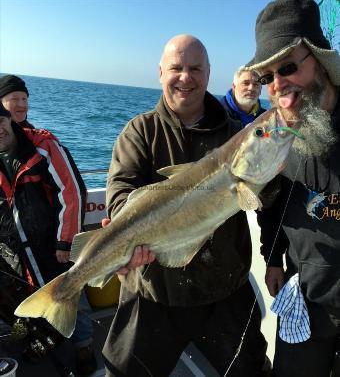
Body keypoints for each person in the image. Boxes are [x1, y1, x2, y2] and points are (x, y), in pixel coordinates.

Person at [103, 34, 269, 377]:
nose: (185, 77)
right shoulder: (140, 132)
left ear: (208, 74)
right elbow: (121, 193)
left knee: (252, 371)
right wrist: (125, 236)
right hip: (153, 289)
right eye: (176, 68)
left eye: (195, 68)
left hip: (225, 288)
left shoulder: (236, 134)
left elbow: (268, 199)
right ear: (160, 72)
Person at [245, 0, 340, 376]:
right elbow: (273, 203)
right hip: (305, 303)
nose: (278, 85)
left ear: (319, 60)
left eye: (286, 67)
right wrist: (271, 257)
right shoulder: (281, 137)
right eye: (267, 77)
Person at [0, 99, 97, 375]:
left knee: (72, 292)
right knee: (26, 295)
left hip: (54, 244)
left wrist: (65, 241)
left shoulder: (42, 147)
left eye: (1, 121)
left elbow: (73, 192)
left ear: (8, 119)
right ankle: (40, 338)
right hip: (17, 247)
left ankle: (84, 346)